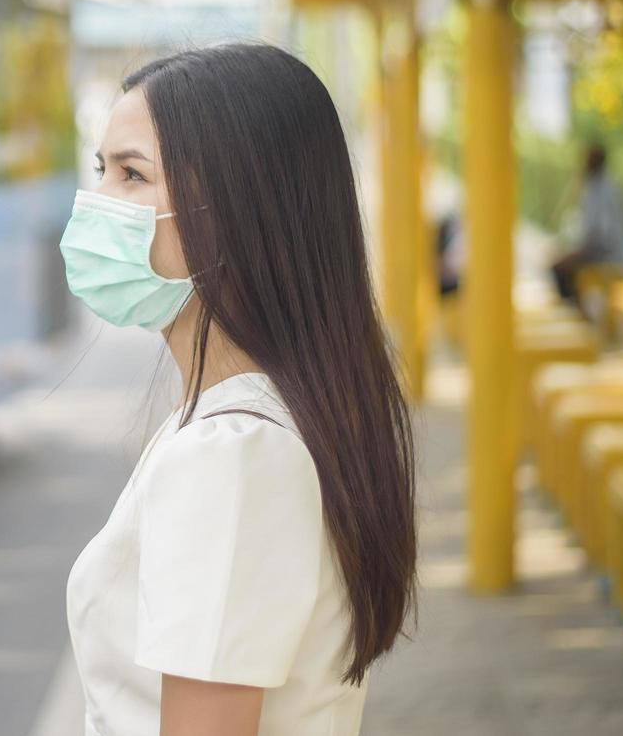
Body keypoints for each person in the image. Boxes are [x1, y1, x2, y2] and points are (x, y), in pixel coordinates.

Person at [60, 43, 417, 736]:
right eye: (100, 170)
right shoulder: (251, 421)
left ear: (233, 208)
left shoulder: (231, 454)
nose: (97, 204)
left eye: (133, 175)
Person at [550, 144, 623, 302]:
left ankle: (577, 316)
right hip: (605, 251)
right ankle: (578, 311)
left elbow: (600, 234)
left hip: (609, 255)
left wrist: (578, 251)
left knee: (560, 268)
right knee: (563, 264)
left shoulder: (603, 190)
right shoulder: (599, 186)